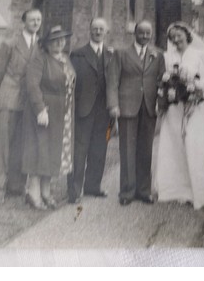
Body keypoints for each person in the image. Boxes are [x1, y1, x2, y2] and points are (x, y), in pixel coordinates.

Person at [153, 22, 204, 210]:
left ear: (187, 34)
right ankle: (179, 189)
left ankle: (201, 191)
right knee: (175, 147)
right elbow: (163, 79)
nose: (176, 39)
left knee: (195, 145)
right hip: (175, 108)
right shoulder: (168, 57)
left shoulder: (200, 54)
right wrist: (168, 89)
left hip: (194, 106)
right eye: (172, 37)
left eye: (179, 35)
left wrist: (196, 87)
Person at [107, 20, 165, 206]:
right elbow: (112, 81)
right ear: (135, 33)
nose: (145, 36)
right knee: (127, 150)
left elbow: (162, 81)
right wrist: (113, 105)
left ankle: (144, 190)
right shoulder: (121, 54)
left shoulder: (158, 55)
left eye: (148, 33)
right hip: (127, 107)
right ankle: (127, 191)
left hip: (149, 107)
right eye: (141, 33)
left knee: (146, 150)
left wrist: (160, 104)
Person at [0, 8, 42, 205]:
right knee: (3, 146)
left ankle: (15, 186)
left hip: (27, 104)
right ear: (24, 21)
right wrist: (7, 91)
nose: (35, 23)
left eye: (38, 20)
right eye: (32, 19)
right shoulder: (10, 44)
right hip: (10, 100)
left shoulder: (40, 45)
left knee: (20, 145)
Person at [21, 25, 76, 210]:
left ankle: (46, 192)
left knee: (53, 153)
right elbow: (32, 86)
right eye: (55, 40)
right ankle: (33, 194)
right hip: (43, 113)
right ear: (46, 43)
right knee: (39, 152)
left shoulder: (65, 59)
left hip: (62, 114)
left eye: (62, 39)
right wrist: (40, 110)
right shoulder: (39, 60)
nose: (60, 43)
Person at [67, 18, 113, 204]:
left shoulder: (111, 55)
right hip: (83, 110)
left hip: (104, 111)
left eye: (101, 29)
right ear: (89, 30)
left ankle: (93, 186)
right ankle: (75, 191)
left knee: (99, 149)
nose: (97, 32)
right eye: (94, 29)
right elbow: (71, 82)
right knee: (79, 151)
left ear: (106, 32)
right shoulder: (78, 54)